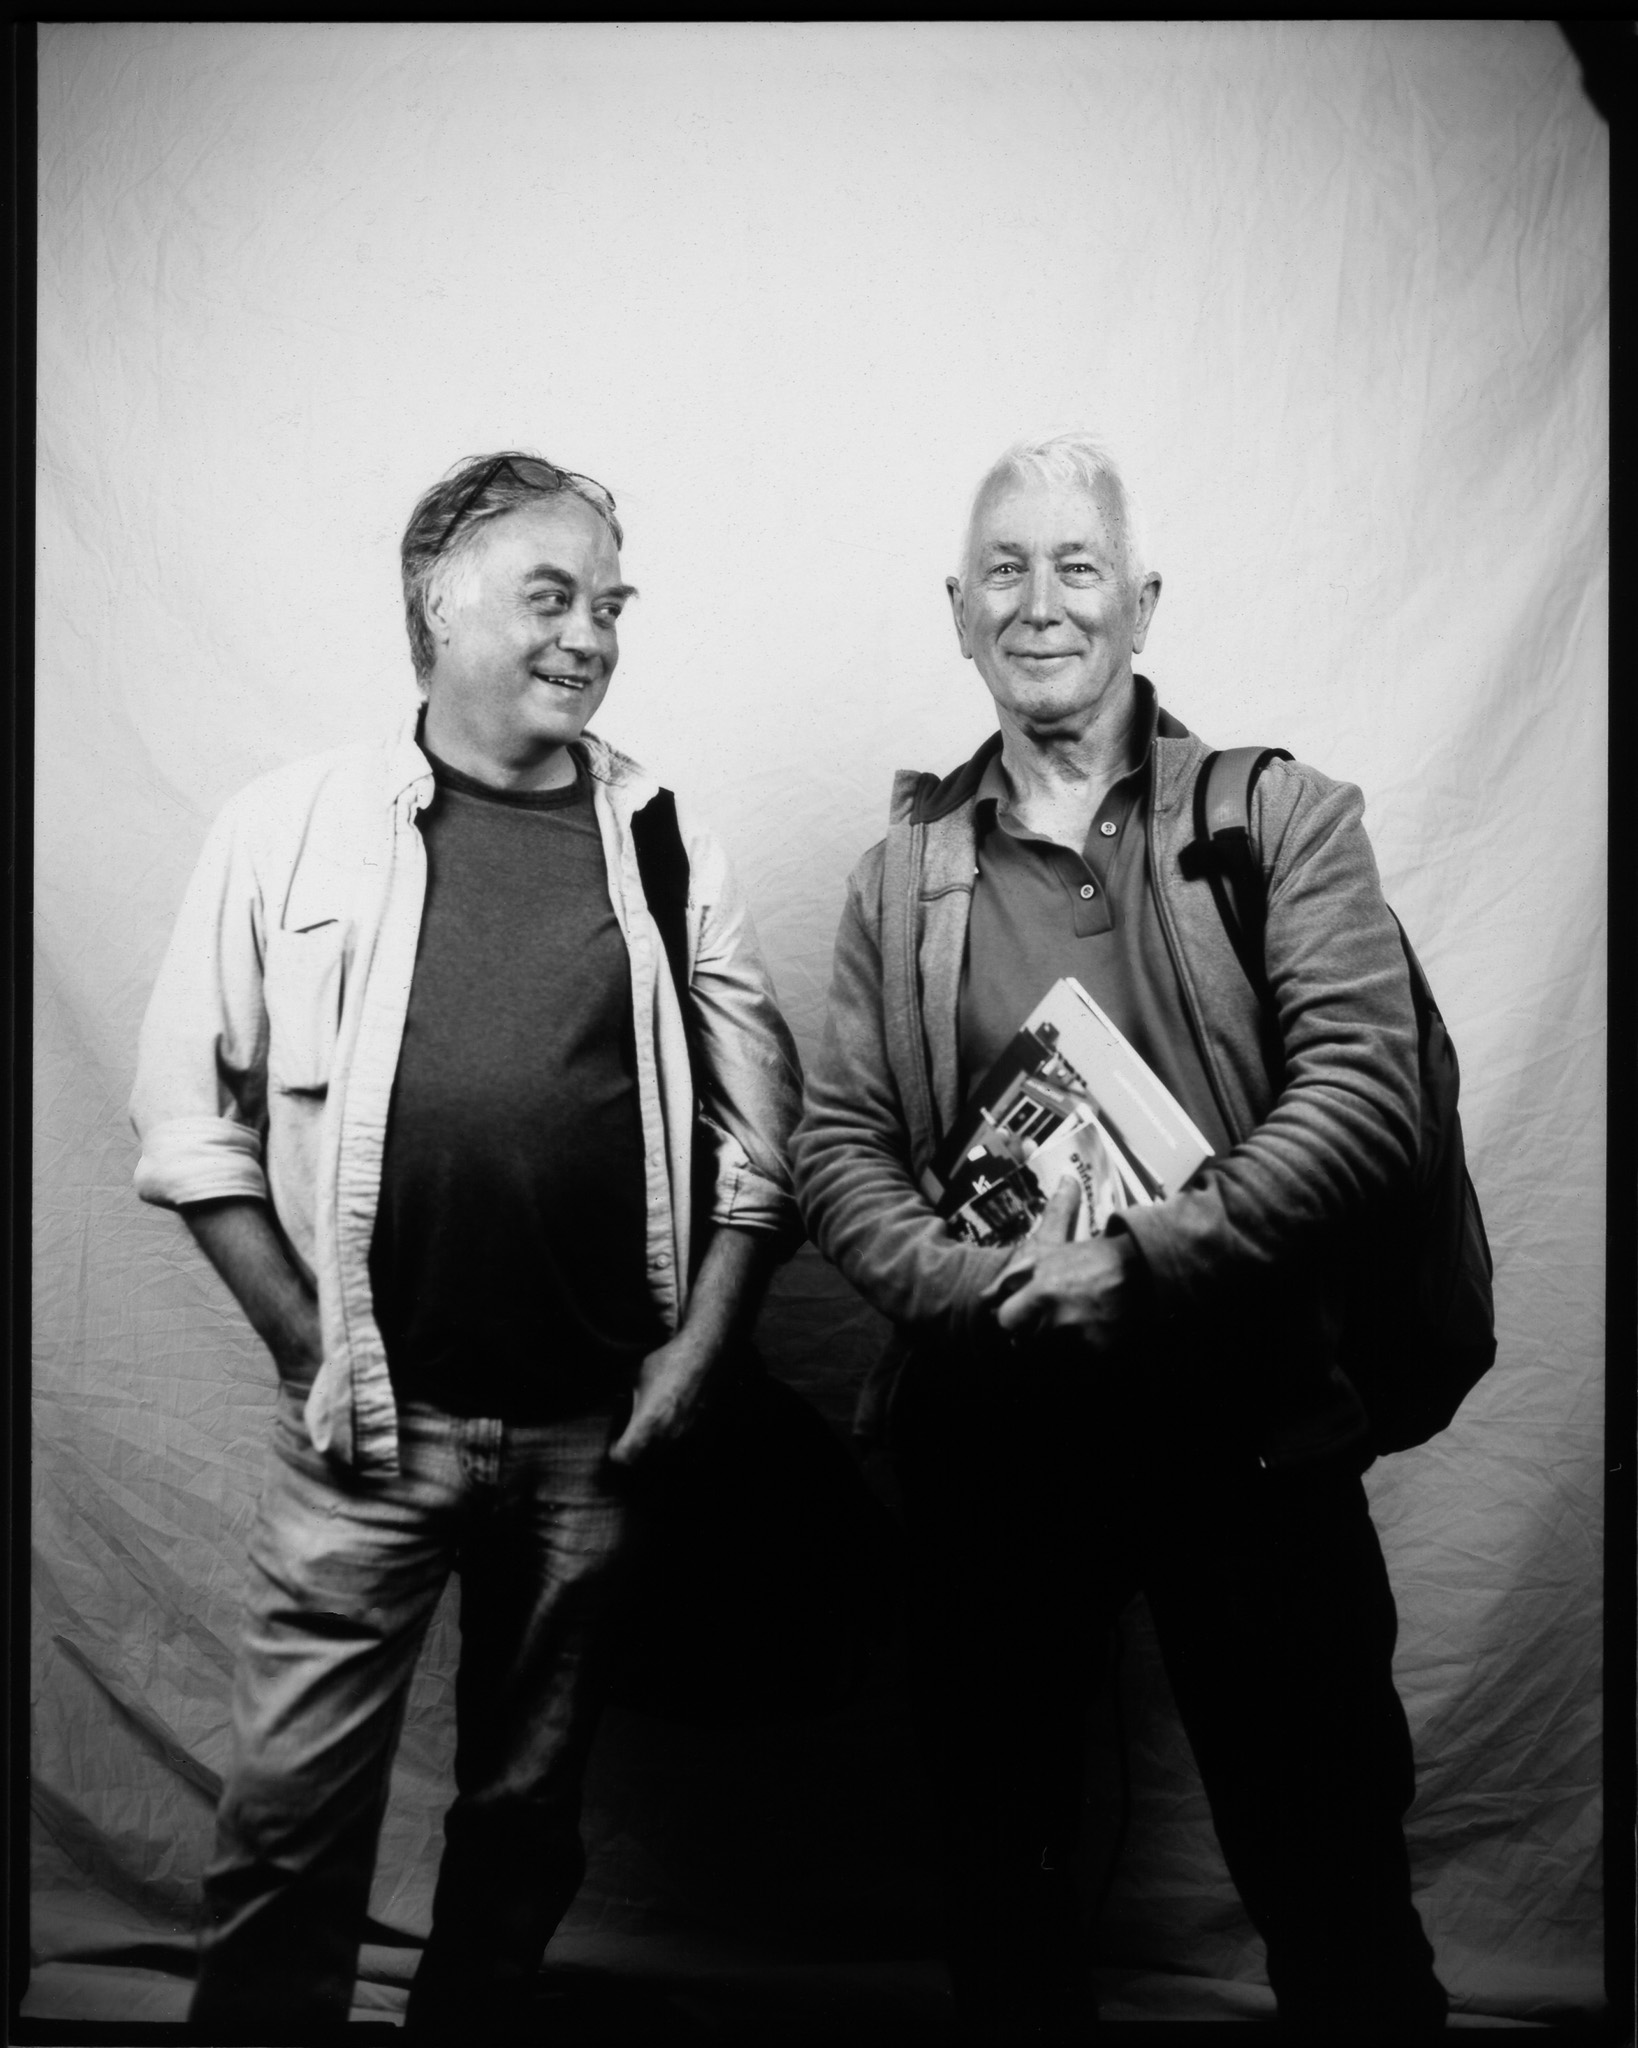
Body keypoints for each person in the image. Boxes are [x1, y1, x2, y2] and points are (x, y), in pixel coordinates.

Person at [130, 451, 802, 2039]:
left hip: (595, 1436)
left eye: (610, 605)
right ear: (438, 606)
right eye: (550, 596)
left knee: (521, 1818)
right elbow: (185, 1118)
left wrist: (700, 1354)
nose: (591, 636)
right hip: (367, 1422)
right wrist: (308, 1344)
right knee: (288, 1830)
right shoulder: (287, 826)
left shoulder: (662, 840)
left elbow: (763, 1143)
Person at [792, 432, 1449, 2040]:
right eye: (1002, 571)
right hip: (995, 1439)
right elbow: (834, 1145)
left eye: (1074, 566)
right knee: (998, 1895)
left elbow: (1367, 1098)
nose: (1040, 603)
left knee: (1333, 1892)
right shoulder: (902, 878)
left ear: (1139, 601)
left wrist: (1134, 1262)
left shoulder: (1283, 815)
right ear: (957, 610)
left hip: (1252, 1437)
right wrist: (974, 1287)